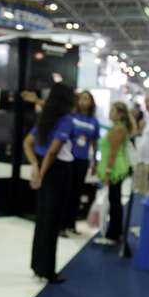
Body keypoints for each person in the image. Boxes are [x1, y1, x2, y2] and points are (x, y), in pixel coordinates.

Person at [22, 83, 75, 284]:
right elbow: (53, 152)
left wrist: (35, 165)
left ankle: (38, 266)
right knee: (51, 222)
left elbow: (27, 143)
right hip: (57, 172)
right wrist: (41, 173)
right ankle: (48, 271)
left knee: (42, 219)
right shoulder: (66, 120)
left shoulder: (46, 118)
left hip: (45, 171)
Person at [97, 102, 134, 246]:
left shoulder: (118, 129)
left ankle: (113, 234)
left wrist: (107, 172)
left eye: (112, 110)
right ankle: (115, 233)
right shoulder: (117, 127)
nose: (110, 112)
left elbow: (113, 152)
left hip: (115, 170)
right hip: (116, 168)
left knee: (114, 201)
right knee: (115, 200)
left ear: (120, 114)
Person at [64, 91, 99, 236]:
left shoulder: (94, 121)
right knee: (66, 192)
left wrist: (94, 162)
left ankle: (71, 225)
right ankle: (62, 225)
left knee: (76, 193)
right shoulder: (72, 117)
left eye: (87, 99)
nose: (84, 101)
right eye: (82, 98)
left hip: (83, 159)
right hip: (69, 158)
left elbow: (94, 142)